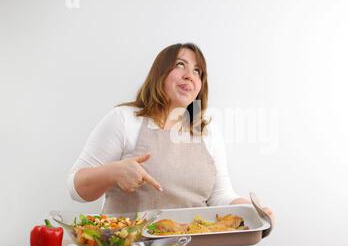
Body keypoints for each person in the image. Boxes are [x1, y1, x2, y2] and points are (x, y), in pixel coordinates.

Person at [68, 42, 274, 221]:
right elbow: (75, 189)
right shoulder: (124, 119)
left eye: (197, 71)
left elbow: (220, 196)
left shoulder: (206, 132)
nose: (189, 76)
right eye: (180, 65)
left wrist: (249, 210)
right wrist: (112, 172)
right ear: (160, 73)